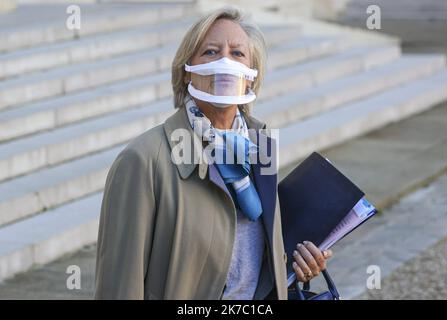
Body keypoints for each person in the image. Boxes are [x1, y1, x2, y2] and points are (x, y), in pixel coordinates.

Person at [94, 6, 332, 300]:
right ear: (186, 72)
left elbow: (254, 263)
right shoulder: (143, 160)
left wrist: (294, 267)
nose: (224, 63)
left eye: (237, 53)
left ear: (251, 76)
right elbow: (120, 286)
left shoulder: (260, 148)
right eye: (210, 52)